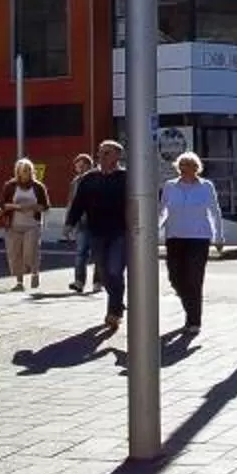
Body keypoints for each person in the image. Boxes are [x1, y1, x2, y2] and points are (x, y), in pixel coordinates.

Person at [73, 140, 132, 335]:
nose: (101, 156)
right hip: (96, 232)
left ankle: (114, 310)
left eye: (106, 153)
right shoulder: (90, 178)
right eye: (100, 153)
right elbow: (78, 202)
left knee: (115, 270)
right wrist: (69, 223)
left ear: (117, 156)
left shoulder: (126, 178)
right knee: (104, 272)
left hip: (120, 232)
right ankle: (117, 302)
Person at [161, 150, 223, 338]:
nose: (184, 168)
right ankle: (189, 305)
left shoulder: (206, 186)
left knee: (194, 279)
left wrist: (218, 237)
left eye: (188, 165)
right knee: (175, 278)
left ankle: (194, 320)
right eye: (181, 165)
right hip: (175, 237)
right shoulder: (170, 186)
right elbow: (162, 210)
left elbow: (214, 211)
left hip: (198, 238)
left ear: (196, 168)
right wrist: (151, 231)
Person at [0, 158, 47, 292]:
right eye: (23, 171)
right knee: (15, 254)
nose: (26, 173)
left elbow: (45, 206)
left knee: (30, 252)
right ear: (18, 172)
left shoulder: (38, 187)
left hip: (32, 225)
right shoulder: (10, 186)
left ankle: (34, 272)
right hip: (13, 225)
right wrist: (16, 206)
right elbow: (2, 204)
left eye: (28, 170)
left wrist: (32, 206)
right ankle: (19, 282)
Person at [63, 152, 99, 293]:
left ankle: (97, 282)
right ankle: (79, 282)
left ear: (90, 166)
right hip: (81, 222)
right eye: (78, 167)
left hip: (97, 222)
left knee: (98, 253)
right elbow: (71, 204)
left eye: (83, 166)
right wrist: (68, 224)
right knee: (80, 253)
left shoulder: (98, 179)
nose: (80, 169)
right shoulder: (75, 182)